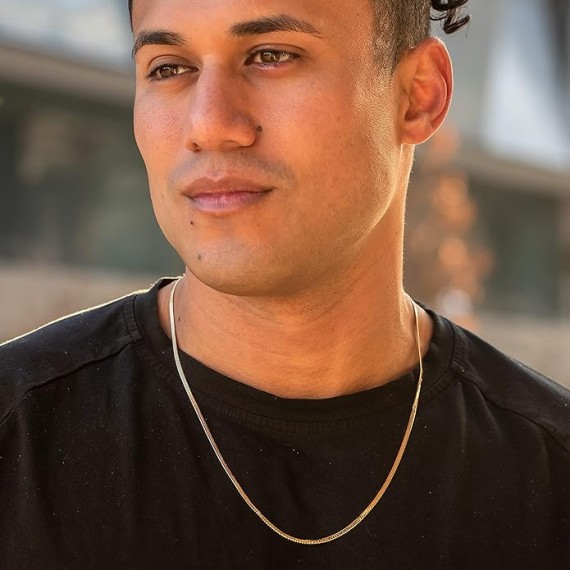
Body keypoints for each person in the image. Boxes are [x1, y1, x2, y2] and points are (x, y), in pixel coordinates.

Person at [1, 0, 569, 567]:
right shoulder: (17, 441)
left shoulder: (550, 478)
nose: (208, 125)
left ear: (418, 94)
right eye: (169, 67)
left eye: (271, 55)